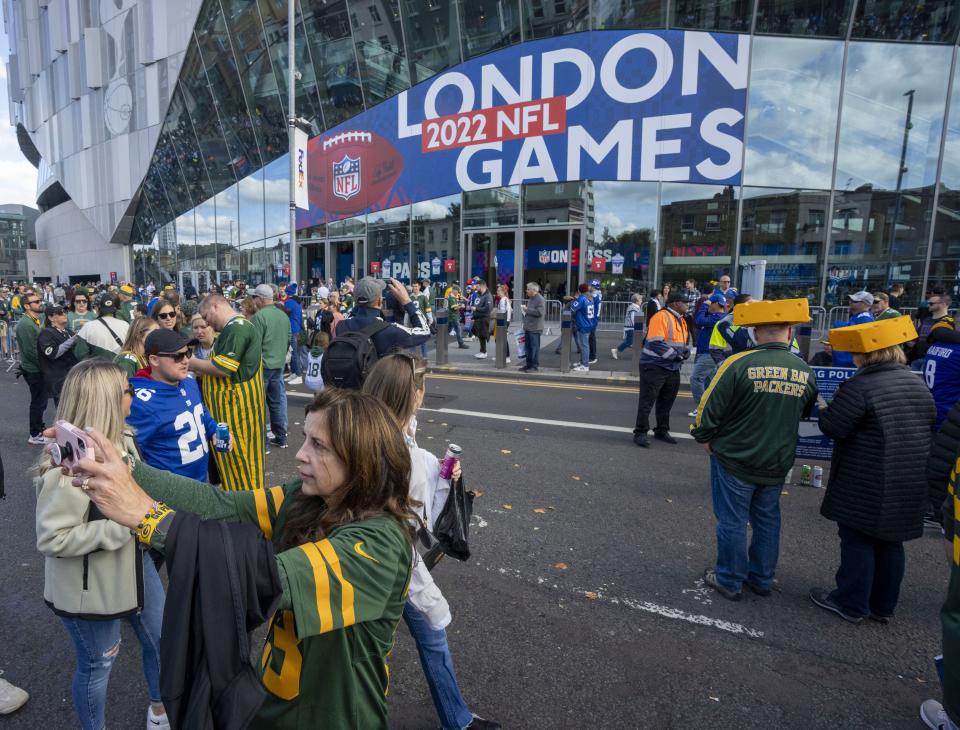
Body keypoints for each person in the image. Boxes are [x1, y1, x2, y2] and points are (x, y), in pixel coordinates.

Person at [63, 389, 417, 729]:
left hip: (334, 718)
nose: (300, 454)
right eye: (306, 438)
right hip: (270, 707)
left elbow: (265, 574)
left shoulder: (380, 545)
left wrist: (146, 516)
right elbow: (222, 507)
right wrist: (123, 466)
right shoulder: (309, 498)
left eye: (318, 445)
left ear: (360, 458)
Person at [361, 354, 499, 730]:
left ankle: (457, 720)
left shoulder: (365, 430)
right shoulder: (406, 454)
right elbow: (426, 513)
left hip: (362, 556)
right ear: (414, 395)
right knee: (383, 651)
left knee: (408, 641)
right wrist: (444, 479)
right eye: (422, 388)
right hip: (391, 564)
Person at [34, 360, 168, 730]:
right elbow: (50, 537)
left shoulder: (122, 441)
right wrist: (125, 527)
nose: (134, 395)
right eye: (127, 389)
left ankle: (159, 709)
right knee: (98, 664)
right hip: (88, 588)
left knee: (162, 639)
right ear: (107, 401)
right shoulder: (67, 469)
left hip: (134, 567)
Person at [810, 317, 935, 624]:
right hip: (908, 476)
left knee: (857, 539)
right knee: (891, 542)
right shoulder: (915, 382)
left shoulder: (860, 386)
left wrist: (824, 408)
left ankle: (851, 603)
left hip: (866, 476)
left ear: (864, 355)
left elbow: (835, 427)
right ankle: (883, 606)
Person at [691, 299, 818, 601]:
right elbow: (805, 411)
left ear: (756, 333)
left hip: (735, 456)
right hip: (777, 459)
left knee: (733, 519)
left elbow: (706, 410)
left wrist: (705, 438)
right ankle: (761, 577)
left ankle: (730, 579)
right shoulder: (803, 369)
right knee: (767, 519)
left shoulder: (737, 364)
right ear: (789, 333)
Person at [188, 293, 265, 491]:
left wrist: (190, 363)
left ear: (215, 306)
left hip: (237, 413)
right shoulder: (234, 329)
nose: (207, 323)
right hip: (231, 412)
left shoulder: (237, 328)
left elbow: (223, 369)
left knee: (240, 465)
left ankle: (247, 514)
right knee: (235, 466)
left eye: (206, 317)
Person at [128, 329, 224, 482]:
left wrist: (213, 429)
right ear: (154, 360)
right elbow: (130, 454)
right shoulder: (141, 403)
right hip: (172, 494)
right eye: (178, 356)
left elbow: (200, 411)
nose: (186, 360)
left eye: (187, 354)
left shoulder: (188, 381)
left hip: (200, 482)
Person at [633, 292, 689, 446]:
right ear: (676, 303)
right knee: (647, 401)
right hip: (654, 366)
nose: (688, 305)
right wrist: (675, 355)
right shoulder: (661, 316)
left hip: (672, 367)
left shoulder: (681, 320)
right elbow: (655, 342)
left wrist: (685, 351)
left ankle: (661, 430)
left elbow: (679, 342)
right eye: (686, 302)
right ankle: (640, 432)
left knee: (666, 401)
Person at [336, 276, 431, 358]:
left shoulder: (341, 326)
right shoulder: (389, 330)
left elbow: (353, 315)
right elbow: (425, 332)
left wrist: (361, 300)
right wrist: (407, 301)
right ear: (379, 301)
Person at [252, 284, 293, 451]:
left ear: (261, 299)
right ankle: (281, 437)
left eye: (254, 297)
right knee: (277, 402)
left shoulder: (259, 317)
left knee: (258, 404)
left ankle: (263, 443)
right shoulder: (282, 315)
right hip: (279, 364)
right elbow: (289, 338)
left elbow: (254, 345)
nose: (253, 301)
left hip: (262, 366)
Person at [687, 292, 727, 418]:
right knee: (709, 383)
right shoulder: (716, 316)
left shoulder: (718, 317)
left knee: (696, 378)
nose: (708, 306)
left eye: (710, 304)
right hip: (706, 353)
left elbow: (698, 320)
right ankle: (710, 408)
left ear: (715, 304)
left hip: (708, 354)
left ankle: (702, 407)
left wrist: (704, 305)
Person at [15, 289, 47, 444]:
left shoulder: (35, 319)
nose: (40, 303)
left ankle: (39, 430)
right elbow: (31, 351)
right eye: (36, 302)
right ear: (27, 306)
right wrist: (47, 365)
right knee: (38, 402)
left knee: (41, 402)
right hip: (34, 370)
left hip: (38, 369)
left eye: (40, 300)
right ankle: (34, 434)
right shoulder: (25, 324)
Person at [36, 303, 80, 404]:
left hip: (72, 377)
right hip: (58, 379)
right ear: (51, 317)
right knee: (64, 412)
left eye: (65, 312)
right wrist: (74, 339)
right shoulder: (46, 333)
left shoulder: (68, 332)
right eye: (60, 313)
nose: (64, 314)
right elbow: (53, 353)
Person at [830, 291, 875, 368]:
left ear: (865, 304)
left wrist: (839, 326)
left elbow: (860, 342)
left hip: (850, 363)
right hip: (847, 361)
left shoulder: (865, 318)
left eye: (855, 301)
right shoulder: (858, 316)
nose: (850, 302)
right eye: (850, 300)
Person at [568, 283, 597, 372]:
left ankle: (585, 365)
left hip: (583, 324)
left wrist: (573, 300)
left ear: (579, 290)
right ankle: (582, 362)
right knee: (585, 345)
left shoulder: (581, 298)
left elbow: (572, 308)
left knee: (584, 346)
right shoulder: (590, 297)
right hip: (589, 323)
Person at [520, 282, 545, 372]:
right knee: (528, 348)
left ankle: (534, 366)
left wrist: (527, 309)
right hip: (529, 327)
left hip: (535, 328)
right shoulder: (531, 298)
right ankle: (529, 364)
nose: (526, 291)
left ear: (534, 290)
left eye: (528, 289)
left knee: (534, 348)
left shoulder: (540, 299)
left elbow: (539, 313)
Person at [611, 293, 642, 361]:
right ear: (636, 301)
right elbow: (633, 319)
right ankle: (616, 350)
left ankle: (636, 354)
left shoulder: (634, 307)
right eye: (640, 299)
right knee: (630, 341)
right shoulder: (634, 308)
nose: (641, 301)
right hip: (631, 327)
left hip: (630, 327)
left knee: (630, 341)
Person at [283, 283, 304, 383]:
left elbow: (284, 315)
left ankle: (298, 375)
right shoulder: (298, 302)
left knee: (293, 353)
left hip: (292, 329)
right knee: (295, 352)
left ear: (287, 293)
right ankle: (294, 373)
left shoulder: (289, 302)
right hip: (297, 329)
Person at [471, 280, 494, 360]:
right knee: (480, 335)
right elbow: (477, 304)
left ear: (482, 286)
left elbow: (488, 308)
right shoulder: (479, 295)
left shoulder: (488, 295)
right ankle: (482, 351)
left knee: (483, 336)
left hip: (484, 319)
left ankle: (483, 352)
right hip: (478, 318)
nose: (476, 288)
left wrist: (476, 309)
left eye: (477, 286)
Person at [496, 282, 512, 364]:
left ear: (503, 291)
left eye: (499, 290)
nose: (497, 292)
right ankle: (501, 355)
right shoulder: (504, 299)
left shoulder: (503, 300)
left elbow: (503, 312)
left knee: (503, 339)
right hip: (504, 321)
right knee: (499, 339)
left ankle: (507, 356)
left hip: (504, 321)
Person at [587, 280, 602, 364]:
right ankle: (591, 356)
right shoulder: (598, 295)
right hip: (595, 319)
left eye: (590, 285)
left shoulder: (594, 296)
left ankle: (592, 356)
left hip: (592, 319)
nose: (589, 287)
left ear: (593, 287)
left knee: (591, 338)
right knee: (591, 338)